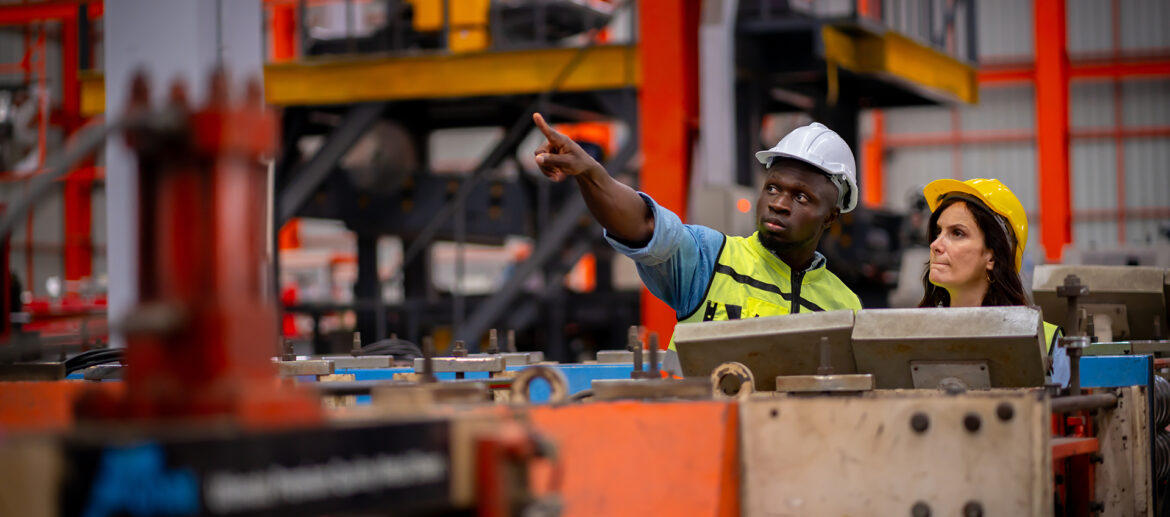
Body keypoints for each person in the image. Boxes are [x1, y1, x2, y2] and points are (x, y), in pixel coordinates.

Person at [531, 113, 863, 354]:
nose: (779, 203)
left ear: (832, 215)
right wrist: (591, 173)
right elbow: (644, 226)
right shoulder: (710, 259)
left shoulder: (845, 307)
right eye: (773, 188)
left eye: (801, 196)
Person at [918, 178, 1066, 384]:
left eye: (957, 233)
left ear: (992, 257)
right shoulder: (914, 334)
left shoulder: (1046, 341)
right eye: (938, 232)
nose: (935, 244)